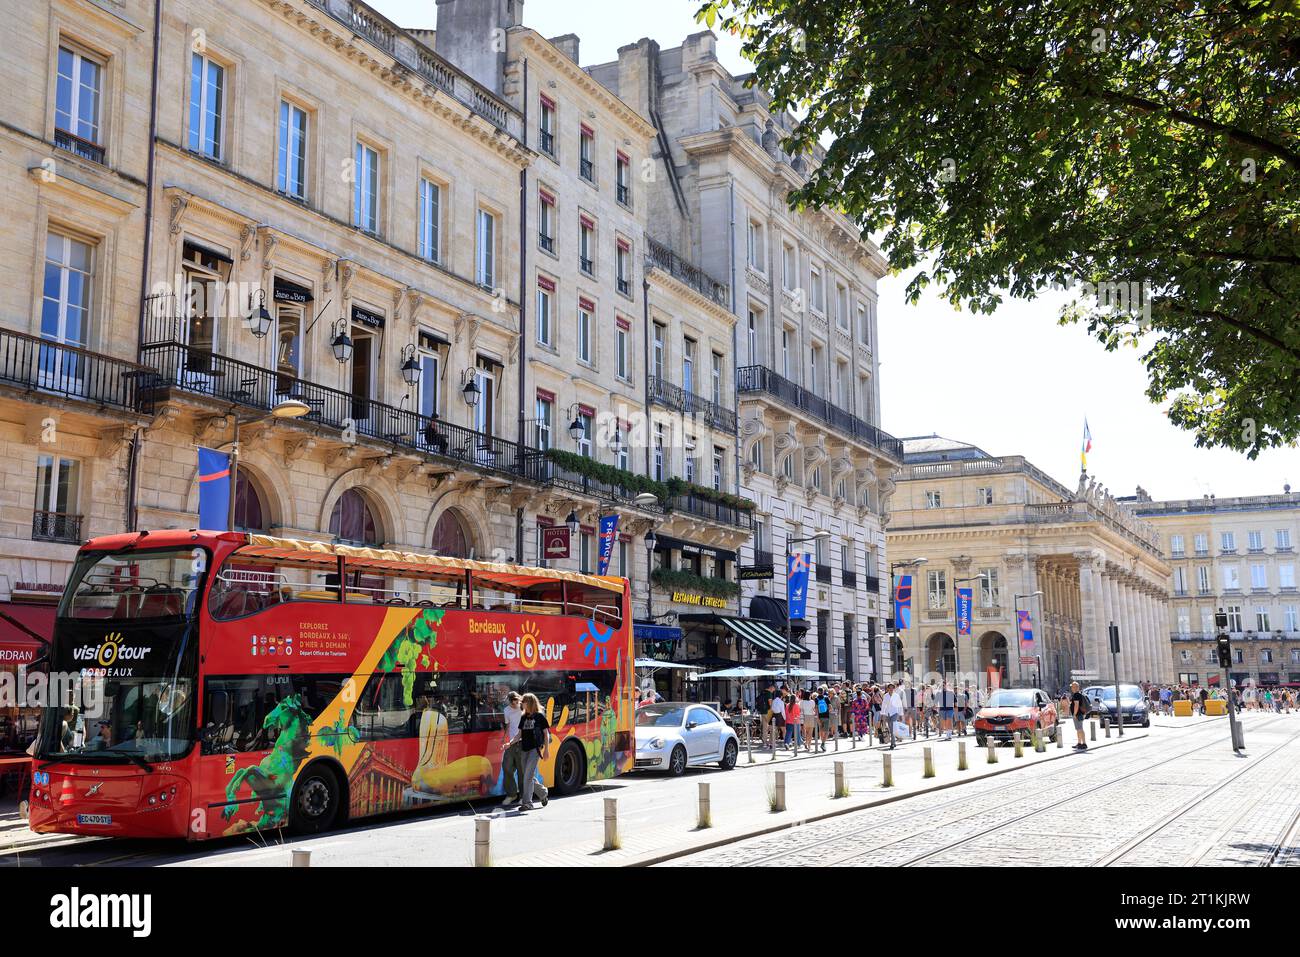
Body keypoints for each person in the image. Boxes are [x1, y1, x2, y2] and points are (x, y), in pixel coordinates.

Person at [514, 693, 550, 811]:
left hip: (535, 750)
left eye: (523, 702)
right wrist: (509, 743)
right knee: (528, 776)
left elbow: (546, 733)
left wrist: (546, 751)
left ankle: (527, 803)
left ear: (529, 703)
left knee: (527, 777)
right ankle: (543, 793)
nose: (521, 704)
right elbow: (519, 734)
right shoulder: (523, 717)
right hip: (524, 749)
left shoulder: (539, 716)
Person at [500, 691, 523, 806]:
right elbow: (508, 725)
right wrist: (504, 738)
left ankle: (524, 796)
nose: (515, 705)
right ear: (509, 701)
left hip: (523, 742)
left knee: (521, 770)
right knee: (507, 767)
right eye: (513, 703)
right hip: (511, 742)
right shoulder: (506, 710)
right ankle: (512, 794)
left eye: (517, 702)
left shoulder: (523, 708)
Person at [1069, 681, 1088, 750]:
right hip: (1079, 714)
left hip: (1078, 714)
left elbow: (1076, 705)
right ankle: (1079, 743)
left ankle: (1084, 743)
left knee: (1080, 729)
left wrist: (1074, 714)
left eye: (1072, 687)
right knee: (1078, 729)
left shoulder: (1076, 695)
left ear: (1076, 687)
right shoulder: (1078, 694)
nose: (1071, 688)